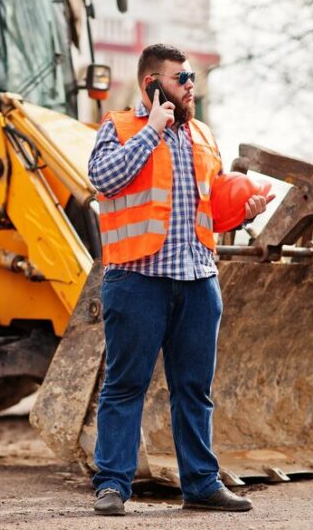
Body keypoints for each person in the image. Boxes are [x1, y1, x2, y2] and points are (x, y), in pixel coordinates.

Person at [87, 43, 273, 516]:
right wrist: (152, 129)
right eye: (181, 78)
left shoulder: (204, 136)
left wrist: (242, 212)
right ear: (152, 84)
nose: (191, 85)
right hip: (137, 279)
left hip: (197, 278)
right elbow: (103, 180)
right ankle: (112, 485)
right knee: (125, 385)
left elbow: (209, 205)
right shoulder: (120, 127)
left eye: (192, 77)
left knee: (194, 388)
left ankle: (201, 484)